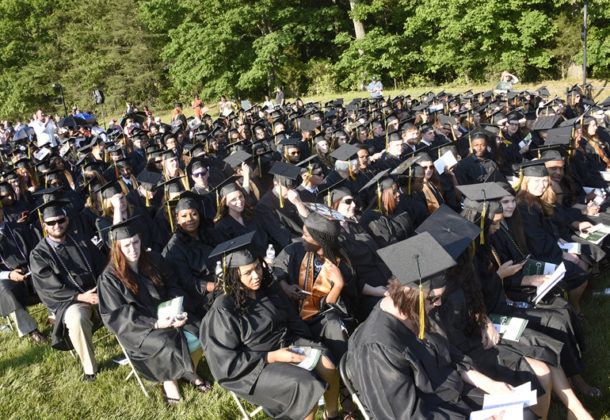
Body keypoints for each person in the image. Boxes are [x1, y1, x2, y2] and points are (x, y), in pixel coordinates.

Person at [345, 233, 536, 420]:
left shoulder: (415, 314)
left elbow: (451, 356)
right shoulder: (377, 347)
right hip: (433, 411)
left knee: (522, 411)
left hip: (454, 396)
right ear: (406, 291)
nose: (438, 304)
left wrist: (492, 386)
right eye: (433, 298)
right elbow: (404, 415)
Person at [201, 233, 341, 420]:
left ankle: (332, 415)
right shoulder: (223, 309)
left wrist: (306, 343)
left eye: (258, 267)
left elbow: (292, 320)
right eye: (248, 273)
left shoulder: (268, 288)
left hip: (287, 344)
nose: (256, 275)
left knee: (328, 363)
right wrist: (272, 356)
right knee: (306, 385)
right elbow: (225, 363)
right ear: (234, 276)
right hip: (254, 366)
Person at [98, 219, 212, 405]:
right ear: (117, 248)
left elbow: (173, 285)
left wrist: (178, 306)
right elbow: (118, 316)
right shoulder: (109, 278)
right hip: (139, 328)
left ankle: (188, 370)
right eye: (126, 245)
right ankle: (170, 382)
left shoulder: (154, 260)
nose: (132, 248)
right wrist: (156, 324)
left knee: (199, 329)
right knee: (166, 342)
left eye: (135, 242)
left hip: (169, 314)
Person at [29, 200, 106, 381]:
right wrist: (81, 297)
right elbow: (49, 288)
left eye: (60, 220)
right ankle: (90, 368)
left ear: (67, 220)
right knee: (77, 319)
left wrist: (103, 289)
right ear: (44, 225)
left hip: (98, 292)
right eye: (51, 223)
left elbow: (102, 265)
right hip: (70, 301)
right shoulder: (39, 254)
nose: (57, 225)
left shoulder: (80, 240)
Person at [0, 204, 47, 343]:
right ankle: (31, 330)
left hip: (32, 269)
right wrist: (9, 275)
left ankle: (57, 315)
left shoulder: (19, 227)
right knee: (4, 290)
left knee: (49, 273)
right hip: (8, 277)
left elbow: (37, 249)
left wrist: (35, 266)